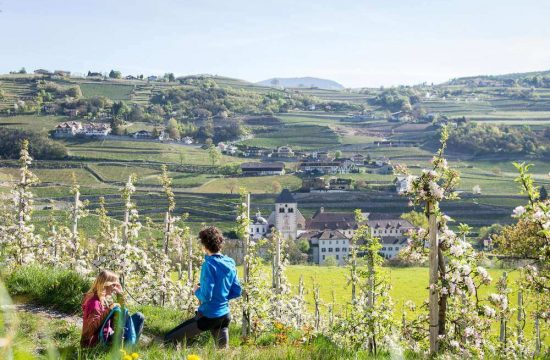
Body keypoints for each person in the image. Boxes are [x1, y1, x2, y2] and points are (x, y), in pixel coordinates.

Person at [164, 226, 242, 348]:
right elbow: (237, 291)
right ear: (220, 244)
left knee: (169, 339)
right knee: (222, 353)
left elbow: (206, 296)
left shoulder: (209, 265)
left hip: (209, 316)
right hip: (225, 315)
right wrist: (221, 297)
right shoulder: (230, 262)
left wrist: (196, 290)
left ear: (204, 246)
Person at [81, 270, 145, 348]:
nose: (115, 288)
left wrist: (120, 295)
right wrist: (109, 309)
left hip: (107, 333)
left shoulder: (102, 298)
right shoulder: (94, 303)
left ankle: (128, 349)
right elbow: (90, 330)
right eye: (113, 285)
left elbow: (123, 313)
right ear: (105, 285)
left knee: (139, 316)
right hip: (96, 343)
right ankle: (127, 349)